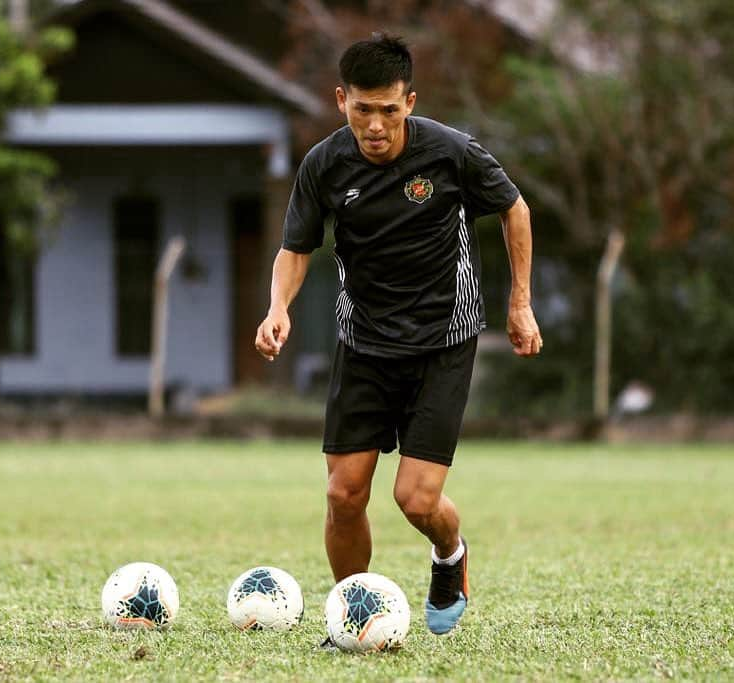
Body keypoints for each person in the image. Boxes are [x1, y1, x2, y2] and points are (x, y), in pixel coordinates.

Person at [255, 34, 542, 642]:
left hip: (443, 341)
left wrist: (521, 306)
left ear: (410, 101)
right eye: (363, 109)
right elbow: (295, 248)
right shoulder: (324, 165)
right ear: (341, 101)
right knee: (344, 492)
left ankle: (450, 557)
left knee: (415, 500)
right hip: (363, 344)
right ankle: (348, 613)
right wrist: (278, 306)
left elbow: (514, 208)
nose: (377, 125)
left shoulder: (451, 153)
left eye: (390, 109)